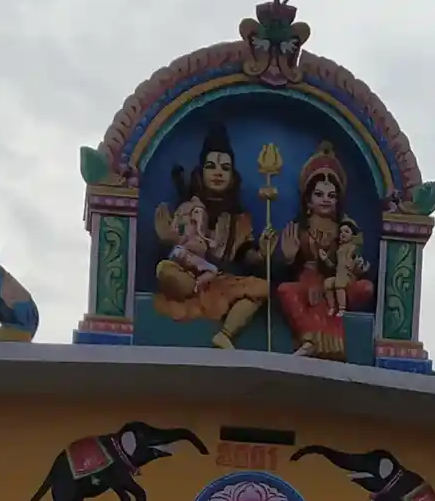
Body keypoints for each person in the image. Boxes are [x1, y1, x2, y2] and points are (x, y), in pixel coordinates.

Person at [151, 121, 268, 348]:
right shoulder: (187, 208)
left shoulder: (239, 218)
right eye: (211, 166)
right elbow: (175, 248)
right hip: (190, 275)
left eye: (225, 168)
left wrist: (264, 254)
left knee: (261, 287)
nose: (218, 172)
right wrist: (167, 240)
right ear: (201, 172)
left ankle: (225, 334)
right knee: (164, 270)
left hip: (221, 281)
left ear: (233, 176)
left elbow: (246, 255)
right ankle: (190, 289)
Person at [274, 142, 374, 359]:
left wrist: (355, 266)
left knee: (365, 288)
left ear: (338, 201)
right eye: (319, 194)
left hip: (337, 283)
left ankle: (323, 337)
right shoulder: (300, 228)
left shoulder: (345, 230)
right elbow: (284, 267)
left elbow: (351, 259)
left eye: (331, 195)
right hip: (306, 282)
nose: (326, 200)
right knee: (285, 291)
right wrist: (288, 259)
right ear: (308, 200)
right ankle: (309, 339)